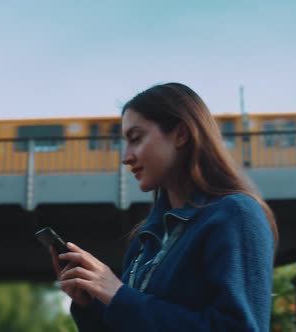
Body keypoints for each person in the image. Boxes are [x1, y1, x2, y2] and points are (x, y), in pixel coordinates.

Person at [50, 82, 279, 331]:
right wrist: (91, 305)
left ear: (181, 134)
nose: (126, 157)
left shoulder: (236, 215)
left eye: (135, 138)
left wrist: (117, 294)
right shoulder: (145, 240)